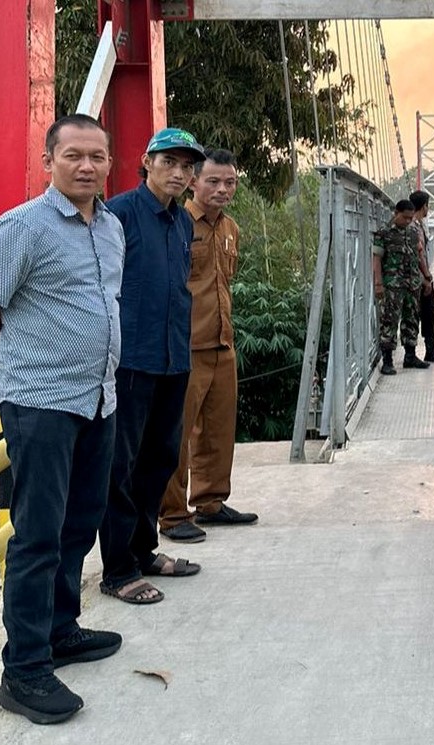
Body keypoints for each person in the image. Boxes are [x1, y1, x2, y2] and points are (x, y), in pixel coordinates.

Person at [0, 113, 123, 724]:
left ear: (110, 163)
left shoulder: (110, 230)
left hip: (98, 398)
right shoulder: (22, 228)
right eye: (73, 155)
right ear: (48, 161)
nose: (86, 166)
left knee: (79, 523)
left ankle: (61, 630)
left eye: (97, 156)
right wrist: (7, 377)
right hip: (41, 404)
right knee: (36, 537)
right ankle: (24, 670)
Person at [99, 128, 206, 604]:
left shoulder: (183, 223)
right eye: (169, 163)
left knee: (159, 459)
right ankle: (118, 570)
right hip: (130, 361)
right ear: (146, 162)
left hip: (172, 356)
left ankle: (144, 552)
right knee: (121, 466)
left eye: (187, 167)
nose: (179, 173)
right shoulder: (117, 215)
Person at [158, 149, 257, 544]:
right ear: (194, 181)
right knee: (176, 435)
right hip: (185, 345)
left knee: (218, 430)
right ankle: (172, 513)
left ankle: (211, 502)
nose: (222, 189)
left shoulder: (231, 227)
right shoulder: (176, 223)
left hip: (222, 342)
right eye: (213, 181)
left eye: (229, 182)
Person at [373, 200, 431, 375]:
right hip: (393, 285)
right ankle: (388, 361)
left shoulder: (414, 232)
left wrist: (426, 278)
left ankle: (410, 356)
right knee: (389, 321)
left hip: (412, 284)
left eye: (410, 218)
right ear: (396, 213)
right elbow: (376, 259)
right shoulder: (384, 233)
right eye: (405, 217)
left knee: (412, 318)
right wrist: (378, 284)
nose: (407, 221)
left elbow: (420, 256)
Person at [409, 190, 434, 362]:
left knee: (417, 314)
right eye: (428, 205)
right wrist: (427, 278)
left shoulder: (414, 225)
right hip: (419, 278)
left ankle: (416, 352)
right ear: (423, 206)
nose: (428, 208)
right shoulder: (415, 227)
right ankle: (427, 350)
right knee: (425, 313)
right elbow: (419, 254)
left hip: (414, 277)